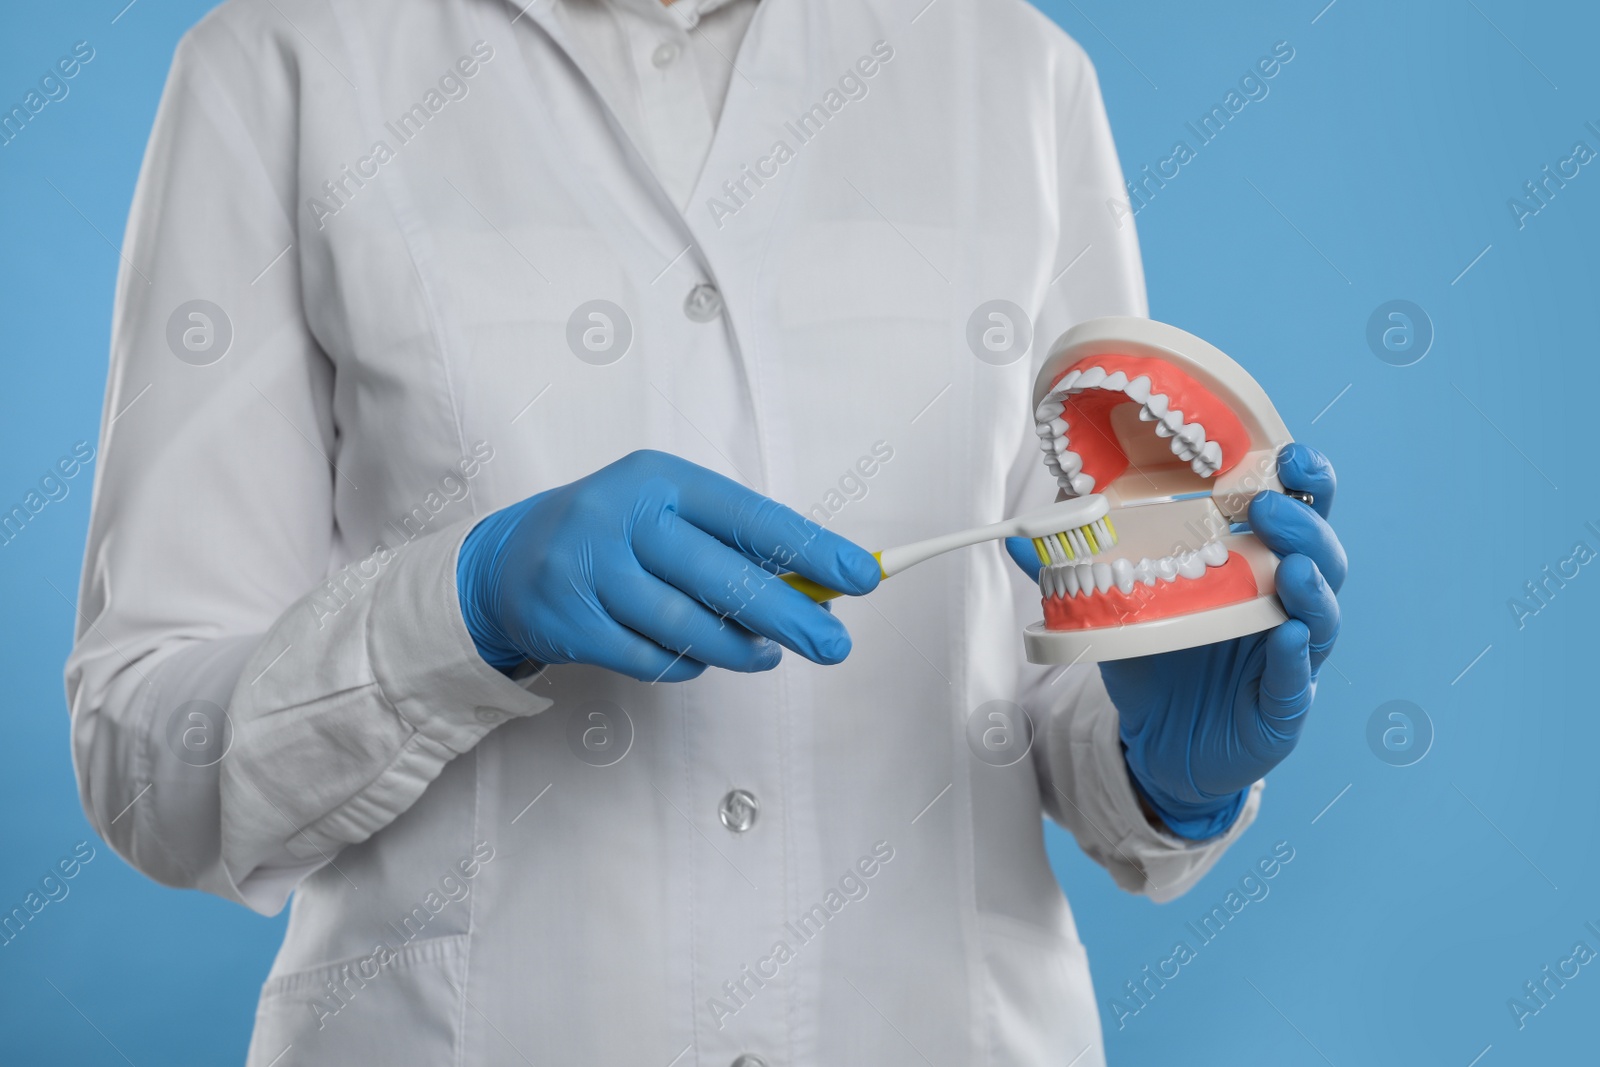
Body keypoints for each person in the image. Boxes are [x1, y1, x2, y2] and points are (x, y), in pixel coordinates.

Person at [65, 0, 1345, 1063]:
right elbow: (143, 753)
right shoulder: (288, 60)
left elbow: (1041, 652)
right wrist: (461, 608)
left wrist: (1160, 763)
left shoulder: (1010, 70)